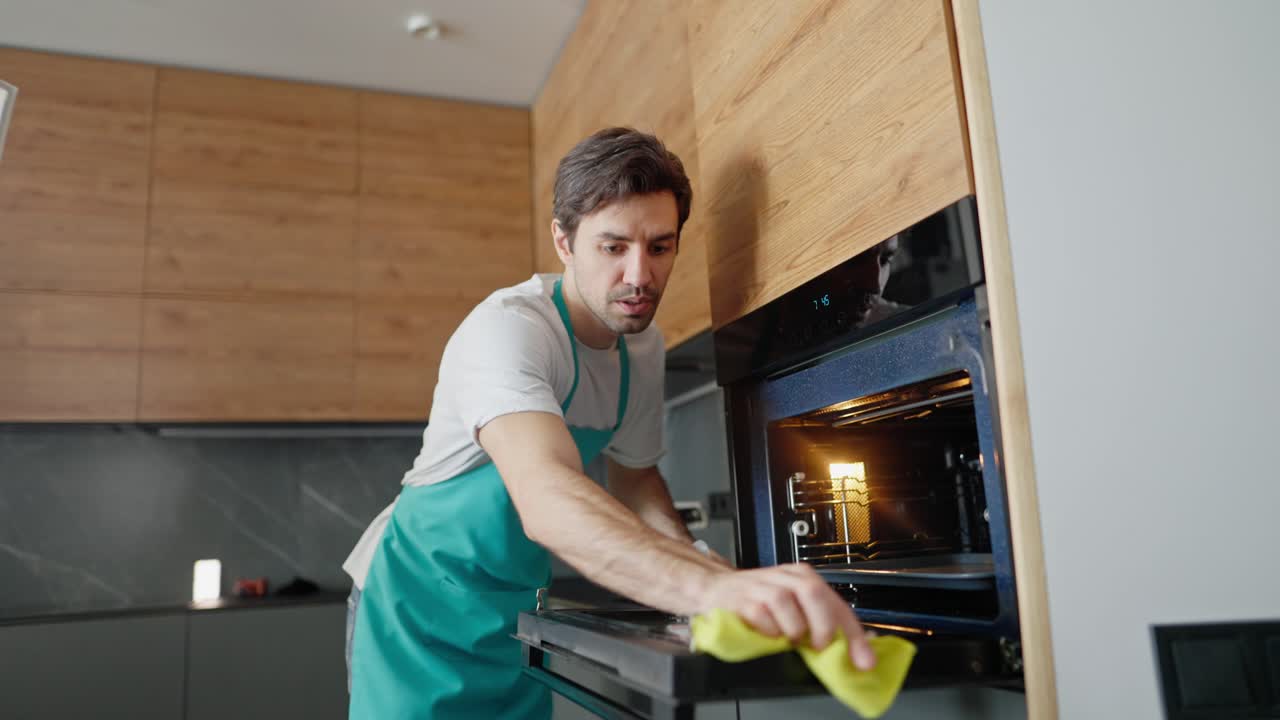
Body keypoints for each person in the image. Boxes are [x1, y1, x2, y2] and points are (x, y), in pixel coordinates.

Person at [343, 127, 875, 719]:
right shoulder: (509, 330)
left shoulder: (641, 351)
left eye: (660, 247)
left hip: (512, 608)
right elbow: (545, 494)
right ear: (564, 242)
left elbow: (637, 482)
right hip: (413, 609)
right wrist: (709, 590)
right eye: (613, 246)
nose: (639, 276)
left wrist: (708, 573)